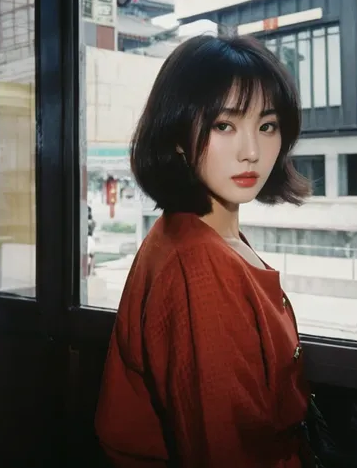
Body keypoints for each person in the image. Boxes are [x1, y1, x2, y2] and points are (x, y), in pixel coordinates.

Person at [95, 34, 312, 467]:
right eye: (224, 125)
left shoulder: (195, 232)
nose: (251, 151)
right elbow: (225, 450)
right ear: (177, 135)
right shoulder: (198, 262)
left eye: (266, 126)